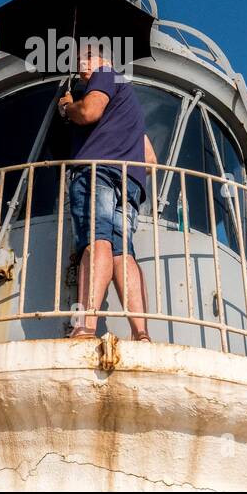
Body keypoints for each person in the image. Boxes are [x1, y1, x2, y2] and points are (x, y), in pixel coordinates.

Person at [57, 41, 158, 341]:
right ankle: (141, 333)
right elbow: (150, 159)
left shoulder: (106, 74)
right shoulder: (129, 102)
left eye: (86, 58)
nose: (81, 65)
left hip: (97, 171)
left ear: (103, 59)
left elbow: (89, 112)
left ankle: (86, 325)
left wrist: (66, 108)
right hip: (129, 182)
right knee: (122, 252)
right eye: (79, 60)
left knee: (95, 240)